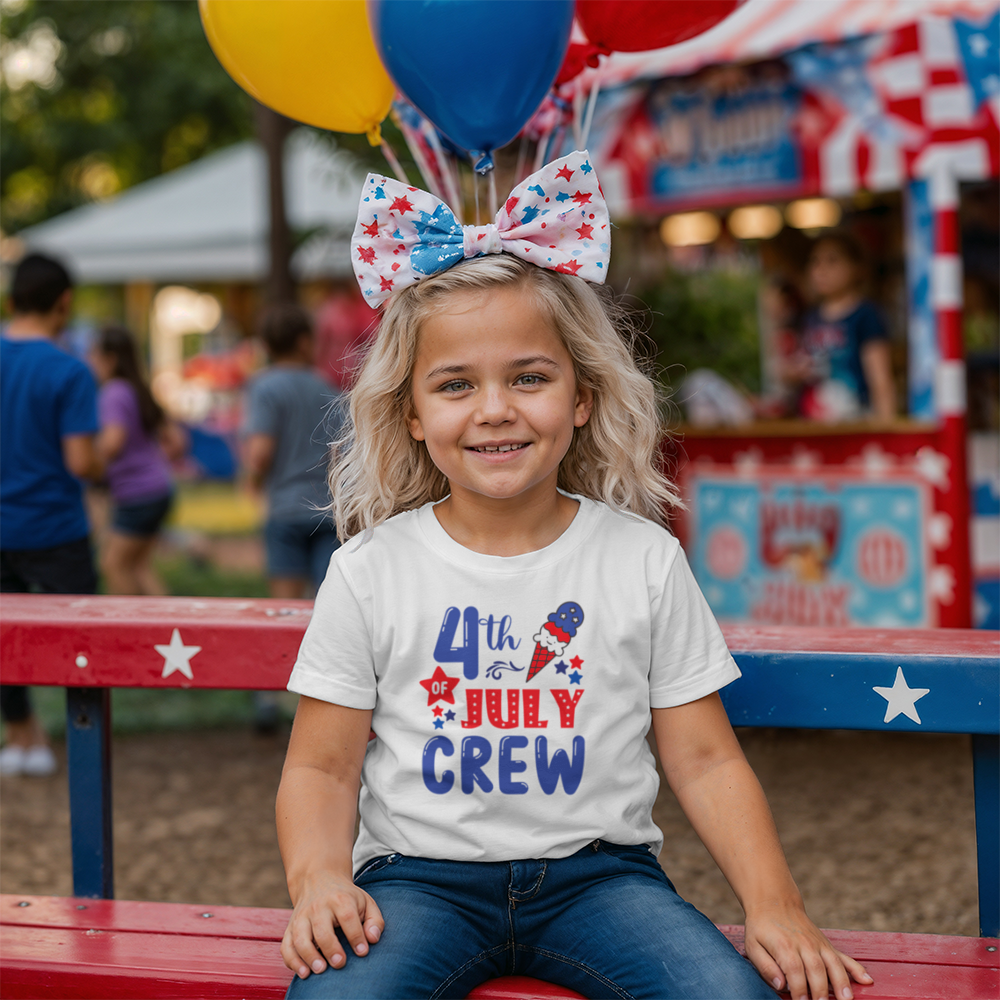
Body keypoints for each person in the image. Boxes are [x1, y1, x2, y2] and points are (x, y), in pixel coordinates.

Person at [275, 154, 874, 1000]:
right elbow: (321, 770)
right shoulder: (372, 570)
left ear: (583, 395)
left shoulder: (642, 559)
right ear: (411, 413)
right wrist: (318, 883)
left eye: (530, 377)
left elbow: (704, 761)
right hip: (416, 884)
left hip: (603, 883)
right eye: (455, 385)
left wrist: (776, 906)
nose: (495, 409)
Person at [0, 253, 102, 777]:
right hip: (55, 527)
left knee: (3, 635)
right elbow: (80, 461)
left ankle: (21, 736)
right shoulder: (69, 370)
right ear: (64, 302)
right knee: (79, 638)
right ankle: (83, 748)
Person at [243, 304, 344, 732]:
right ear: (304, 341)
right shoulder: (326, 385)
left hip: (284, 509)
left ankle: (270, 697)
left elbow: (260, 450)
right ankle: (325, 694)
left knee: (283, 609)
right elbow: (342, 449)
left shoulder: (264, 387)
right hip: (326, 508)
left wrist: (252, 481)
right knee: (328, 610)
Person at [90, 324, 182, 595]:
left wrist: (87, 456)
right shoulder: (137, 388)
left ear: (110, 359)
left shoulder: (113, 392)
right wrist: (151, 461)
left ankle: (130, 629)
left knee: (113, 564)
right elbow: (177, 441)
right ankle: (168, 628)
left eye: (94, 354)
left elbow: (113, 441)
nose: (90, 361)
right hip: (158, 488)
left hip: (137, 495)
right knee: (139, 566)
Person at [786, 234, 895, 423]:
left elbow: (880, 380)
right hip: (813, 421)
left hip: (854, 420)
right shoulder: (810, 318)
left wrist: (885, 428)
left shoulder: (865, 315)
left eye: (832, 261)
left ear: (856, 268)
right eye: (815, 262)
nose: (822, 270)